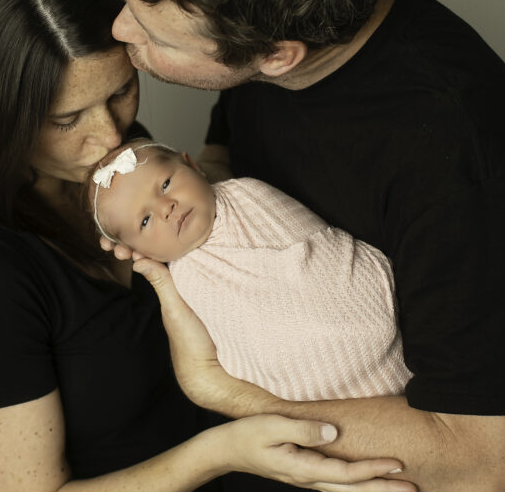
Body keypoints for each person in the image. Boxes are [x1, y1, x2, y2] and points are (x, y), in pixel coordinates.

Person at [0, 0, 419, 492]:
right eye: (65, 120)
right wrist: (224, 450)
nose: (108, 134)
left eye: (120, 91)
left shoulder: (126, 183)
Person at [107, 0, 505, 492]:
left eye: (156, 37)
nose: (120, 33)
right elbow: (231, 167)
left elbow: (481, 471)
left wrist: (225, 391)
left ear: (279, 56)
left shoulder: (467, 159)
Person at [85, 139, 412, 402]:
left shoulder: (247, 194)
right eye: (145, 221)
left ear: (193, 165)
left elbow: (316, 249)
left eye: (166, 184)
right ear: (140, 252)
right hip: (309, 397)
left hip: (378, 332)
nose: (166, 208)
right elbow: (231, 343)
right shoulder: (180, 282)